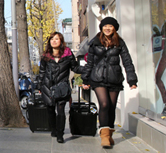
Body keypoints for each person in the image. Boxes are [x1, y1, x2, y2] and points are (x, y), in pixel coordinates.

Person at [82, 17, 138, 148]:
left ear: (115, 28)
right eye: (105, 26)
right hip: (98, 78)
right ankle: (104, 135)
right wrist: (85, 79)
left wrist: (132, 80)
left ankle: (110, 133)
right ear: (101, 27)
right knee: (105, 104)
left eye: (110, 26)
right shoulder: (94, 42)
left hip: (114, 78)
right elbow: (89, 63)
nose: (107, 28)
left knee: (112, 107)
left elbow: (127, 61)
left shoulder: (120, 42)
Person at [38, 32, 82, 143]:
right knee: (50, 110)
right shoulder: (45, 56)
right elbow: (42, 72)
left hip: (62, 86)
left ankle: (60, 134)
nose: (54, 41)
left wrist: (88, 70)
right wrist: (39, 85)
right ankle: (53, 129)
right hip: (48, 87)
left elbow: (75, 68)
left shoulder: (68, 53)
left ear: (61, 41)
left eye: (56, 39)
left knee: (61, 110)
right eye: (52, 39)